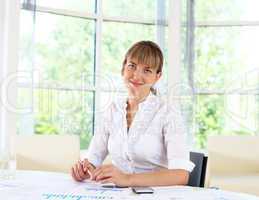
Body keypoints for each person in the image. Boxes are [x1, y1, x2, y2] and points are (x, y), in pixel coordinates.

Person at [71, 41, 194, 187]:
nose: (136, 75)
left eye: (147, 70)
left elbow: (181, 175)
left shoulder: (168, 112)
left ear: (157, 77)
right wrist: (85, 169)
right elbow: (93, 158)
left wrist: (127, 179)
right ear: (123, 68)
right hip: (118, 194)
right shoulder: (112, 109)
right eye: (132, 66)